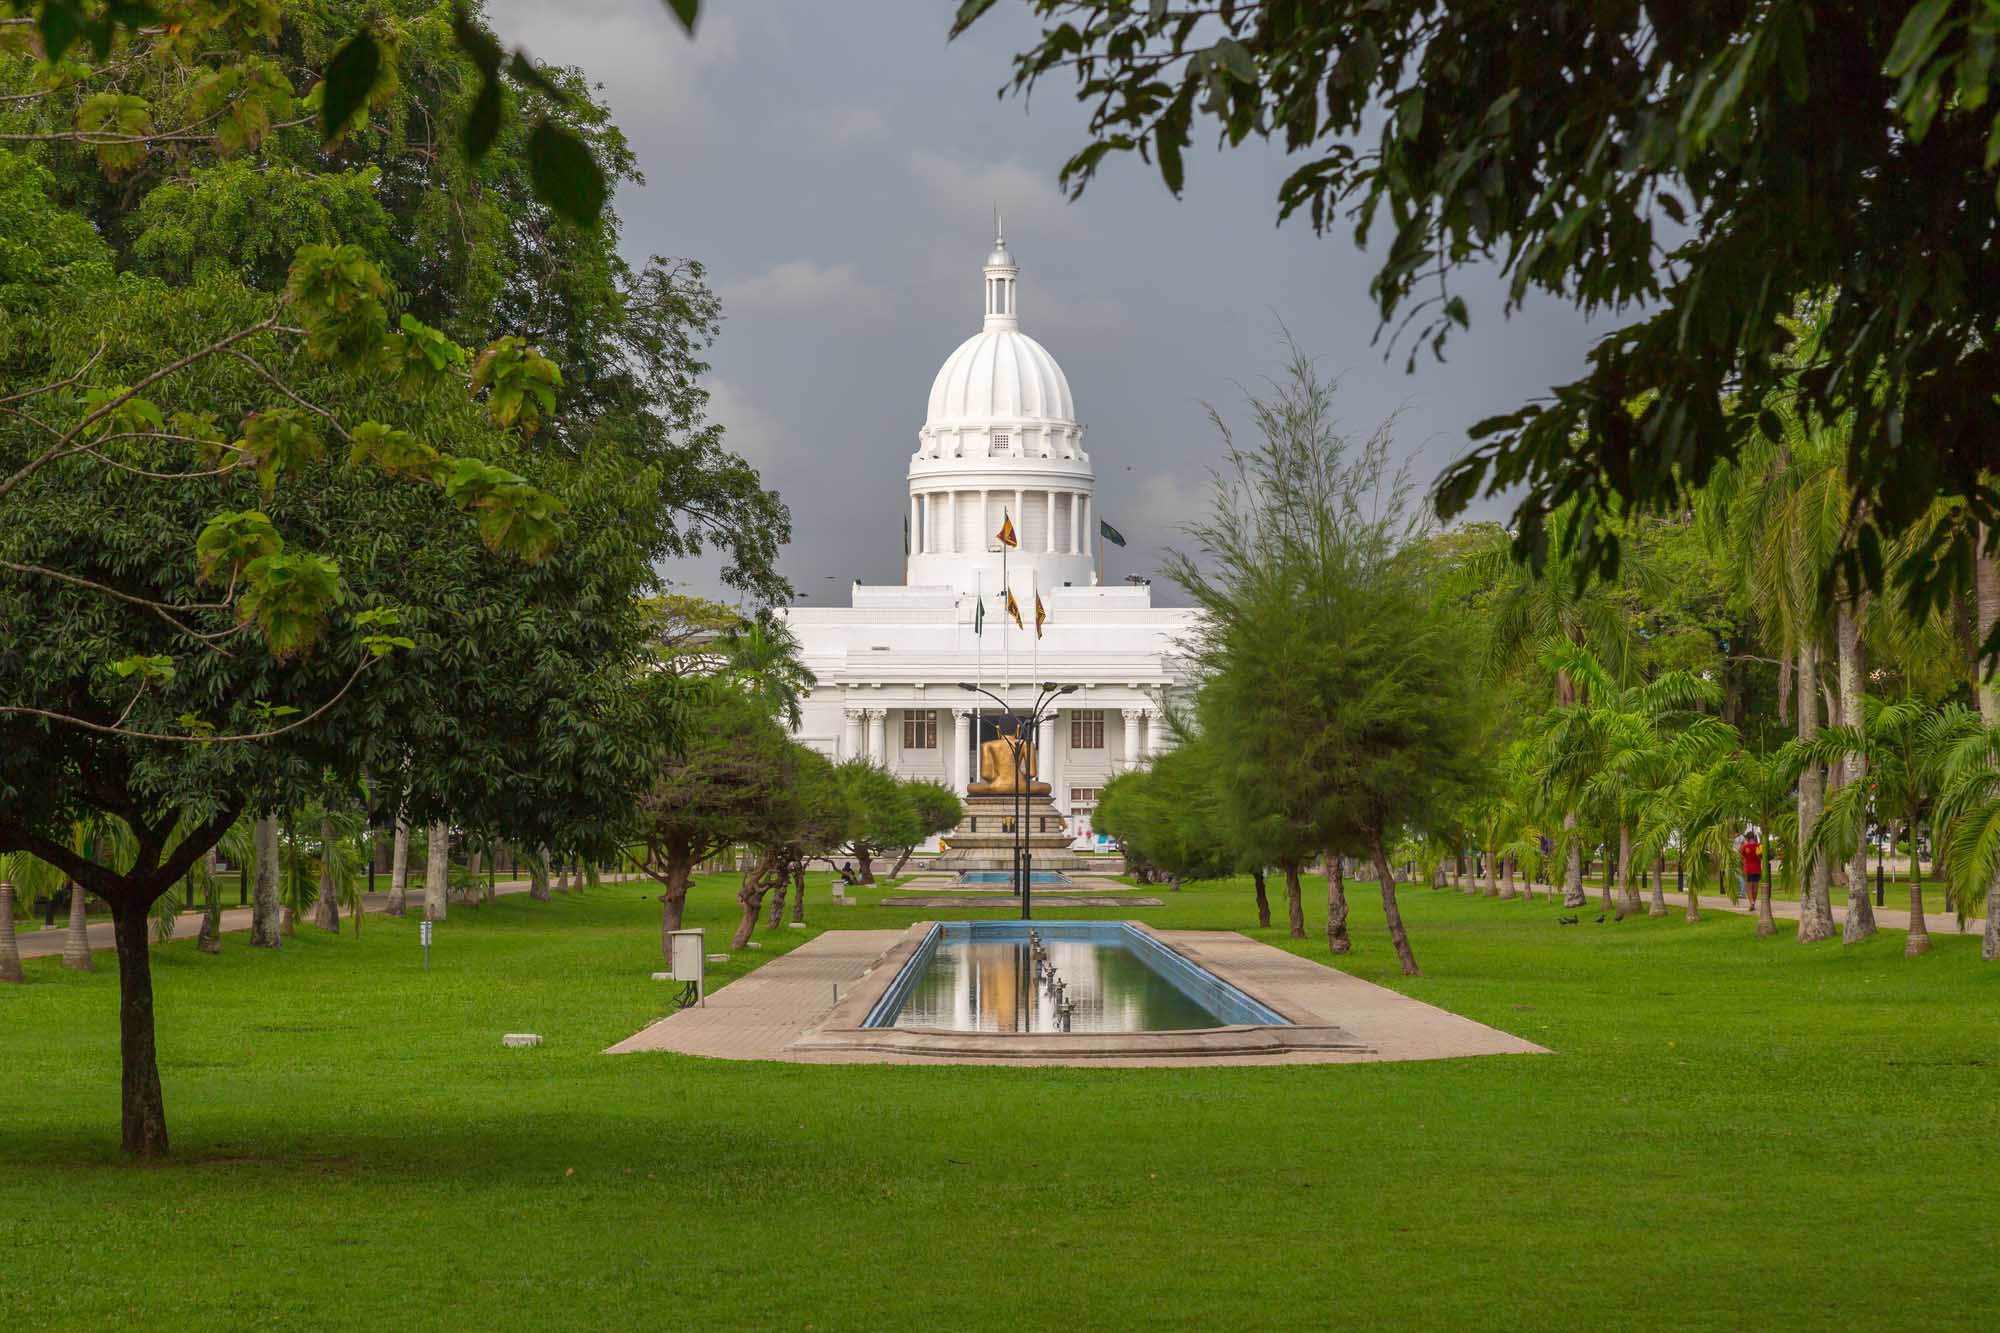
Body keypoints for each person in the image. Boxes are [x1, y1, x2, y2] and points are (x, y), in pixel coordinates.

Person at [1740, 830, 1764, 909]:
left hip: (1748, 869)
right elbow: (1761, 856)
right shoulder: (1759, 846)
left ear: (1747, 838)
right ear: (1754, 838)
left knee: (1748, 886)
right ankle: (1754, 902)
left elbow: (1742, 856)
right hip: (1757, 869)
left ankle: (1751, 902)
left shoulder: (1745, 847)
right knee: (1755, 887)